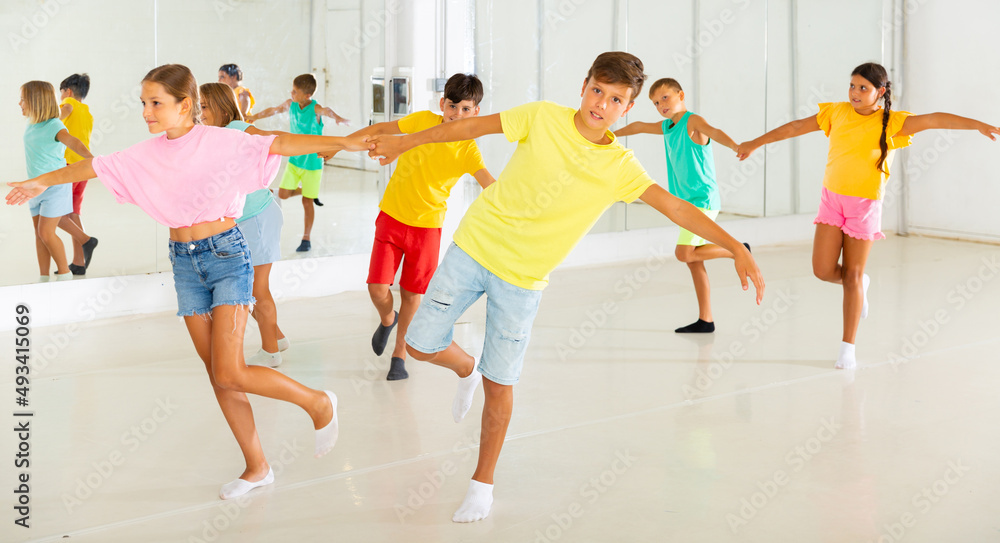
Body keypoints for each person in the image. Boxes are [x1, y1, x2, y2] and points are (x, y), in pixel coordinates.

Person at [368, 52, 764, 522]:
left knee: (502, 384)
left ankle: (482, 483)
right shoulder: (540, 116)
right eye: (597, 90)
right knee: (418, 344)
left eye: (616, 99)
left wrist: (734, 246)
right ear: (583, 85)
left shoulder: (619, 166)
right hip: (473, 247)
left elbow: (677, 209)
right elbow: (467, 129)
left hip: (524, 280)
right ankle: (466, 369)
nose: (602, 104)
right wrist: (404, 142)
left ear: (628, 108)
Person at [7, 65, 369, 500]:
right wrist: (37, 182)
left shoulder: (223, 140)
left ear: (186, 104)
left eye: (155, 103)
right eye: (144, 102)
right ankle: (257, 467)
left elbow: (281, 142)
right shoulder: (148, 153)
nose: (146, 112)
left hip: (227, 256)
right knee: (219, 376)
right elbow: (91, 168)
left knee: (229, 370)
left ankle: (318, 403)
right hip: (184, 263)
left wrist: (345, 141)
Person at [737, 62, 999, 370]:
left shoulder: (892, 122)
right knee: (822, 270)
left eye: (863, 88)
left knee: (852, 275)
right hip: (832, 200)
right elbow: (794, 127)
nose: (855, 93)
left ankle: (848, 346)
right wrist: (755, 143)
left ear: (880, 92)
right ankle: (861, 284)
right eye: (852, 86)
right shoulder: (835, 113)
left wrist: (978, 124)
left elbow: (934, 119)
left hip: (865, 205)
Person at [347, 73, 495, 381]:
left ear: (476, 112)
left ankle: (399, 356)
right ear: (442, 104)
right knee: (377, 288)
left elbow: (488, 184)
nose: (458, 114)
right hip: (392, 216)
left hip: (427, 229)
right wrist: (341, 146)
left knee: (412, 294)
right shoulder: (422, 121)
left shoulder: (468, 150)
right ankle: (388, 319)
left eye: (467, 109)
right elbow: (380, 130)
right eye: (453, 106)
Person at [615, 77, 748, 333]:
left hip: (703, 200)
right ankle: (706, 319)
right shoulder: (667, 127)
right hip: (686, 204)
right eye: (655, 102)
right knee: (694, 261)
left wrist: (735, 146)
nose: (661, 105)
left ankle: (739, 250)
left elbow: (715, 132)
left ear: (681, 95)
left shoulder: (692, 121)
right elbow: (640, 126)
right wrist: (609, 133)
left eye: (665, 97)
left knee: (684, 253)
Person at [200, 81, 290, 367]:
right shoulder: (215, 135)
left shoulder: (238, 128)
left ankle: (270, 352)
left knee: (257, 290)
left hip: (259, 218)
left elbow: (271, 140)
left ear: (218, 106)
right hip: (248, 219)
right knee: (249, 287)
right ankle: (277, 338)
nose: (199, 114)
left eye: (203, 107)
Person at [250, 74, 349, 252]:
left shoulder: (315, 108)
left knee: (306, 203)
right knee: (285, 194)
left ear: (307, 96)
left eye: (295, 91)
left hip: (313, 163)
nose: (291, 93)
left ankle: (306, 238)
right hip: (295, 160)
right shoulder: (291, 104)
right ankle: (311, 192)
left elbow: (327, 111)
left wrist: (337, 118)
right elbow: (273, 110)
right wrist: (254, 117)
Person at [18, 80, 94, 282]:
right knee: (39, 235)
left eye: (23, 100)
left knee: (46, 232)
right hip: (35, 188)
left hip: (55, 188)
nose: (20, 104)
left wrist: (92, 159)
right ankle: (43, 278)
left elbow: (73, 142)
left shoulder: (54, 124)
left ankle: (64, 274)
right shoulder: (32, 124)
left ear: (35, 101)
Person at [57, 73, 99, 275]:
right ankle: (79, 262)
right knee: (73, 213)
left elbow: (61, 115)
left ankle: (87, 241)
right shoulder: (88, 112)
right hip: (83, 168)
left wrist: (50, 120)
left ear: (69, 92)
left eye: (62, 92)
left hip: (68, 166)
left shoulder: (68, 104)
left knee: (53, 212)